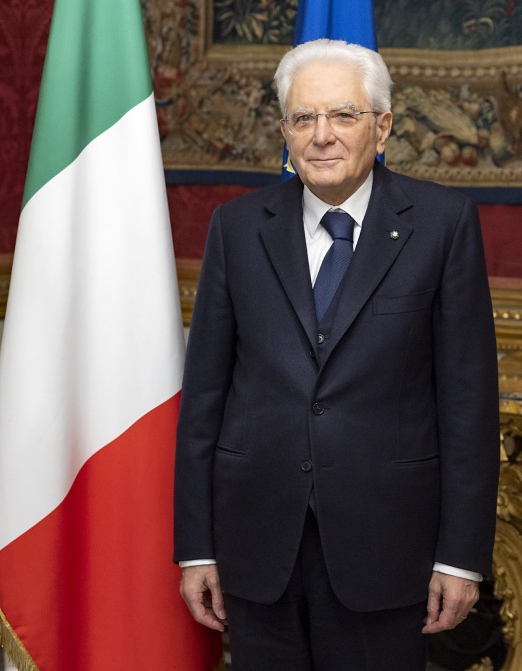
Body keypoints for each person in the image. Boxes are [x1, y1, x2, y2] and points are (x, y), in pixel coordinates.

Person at [174, 38, 500, 670]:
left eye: (343, 116)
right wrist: (196, 548)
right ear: (285, 132)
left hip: (387, 549)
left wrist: (459, 557)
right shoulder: (236, 228)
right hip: (256, 545)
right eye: (304, 118)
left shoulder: (443, 223)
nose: (322, 135)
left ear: (381, 128)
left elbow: (469, 407)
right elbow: (203, 401)